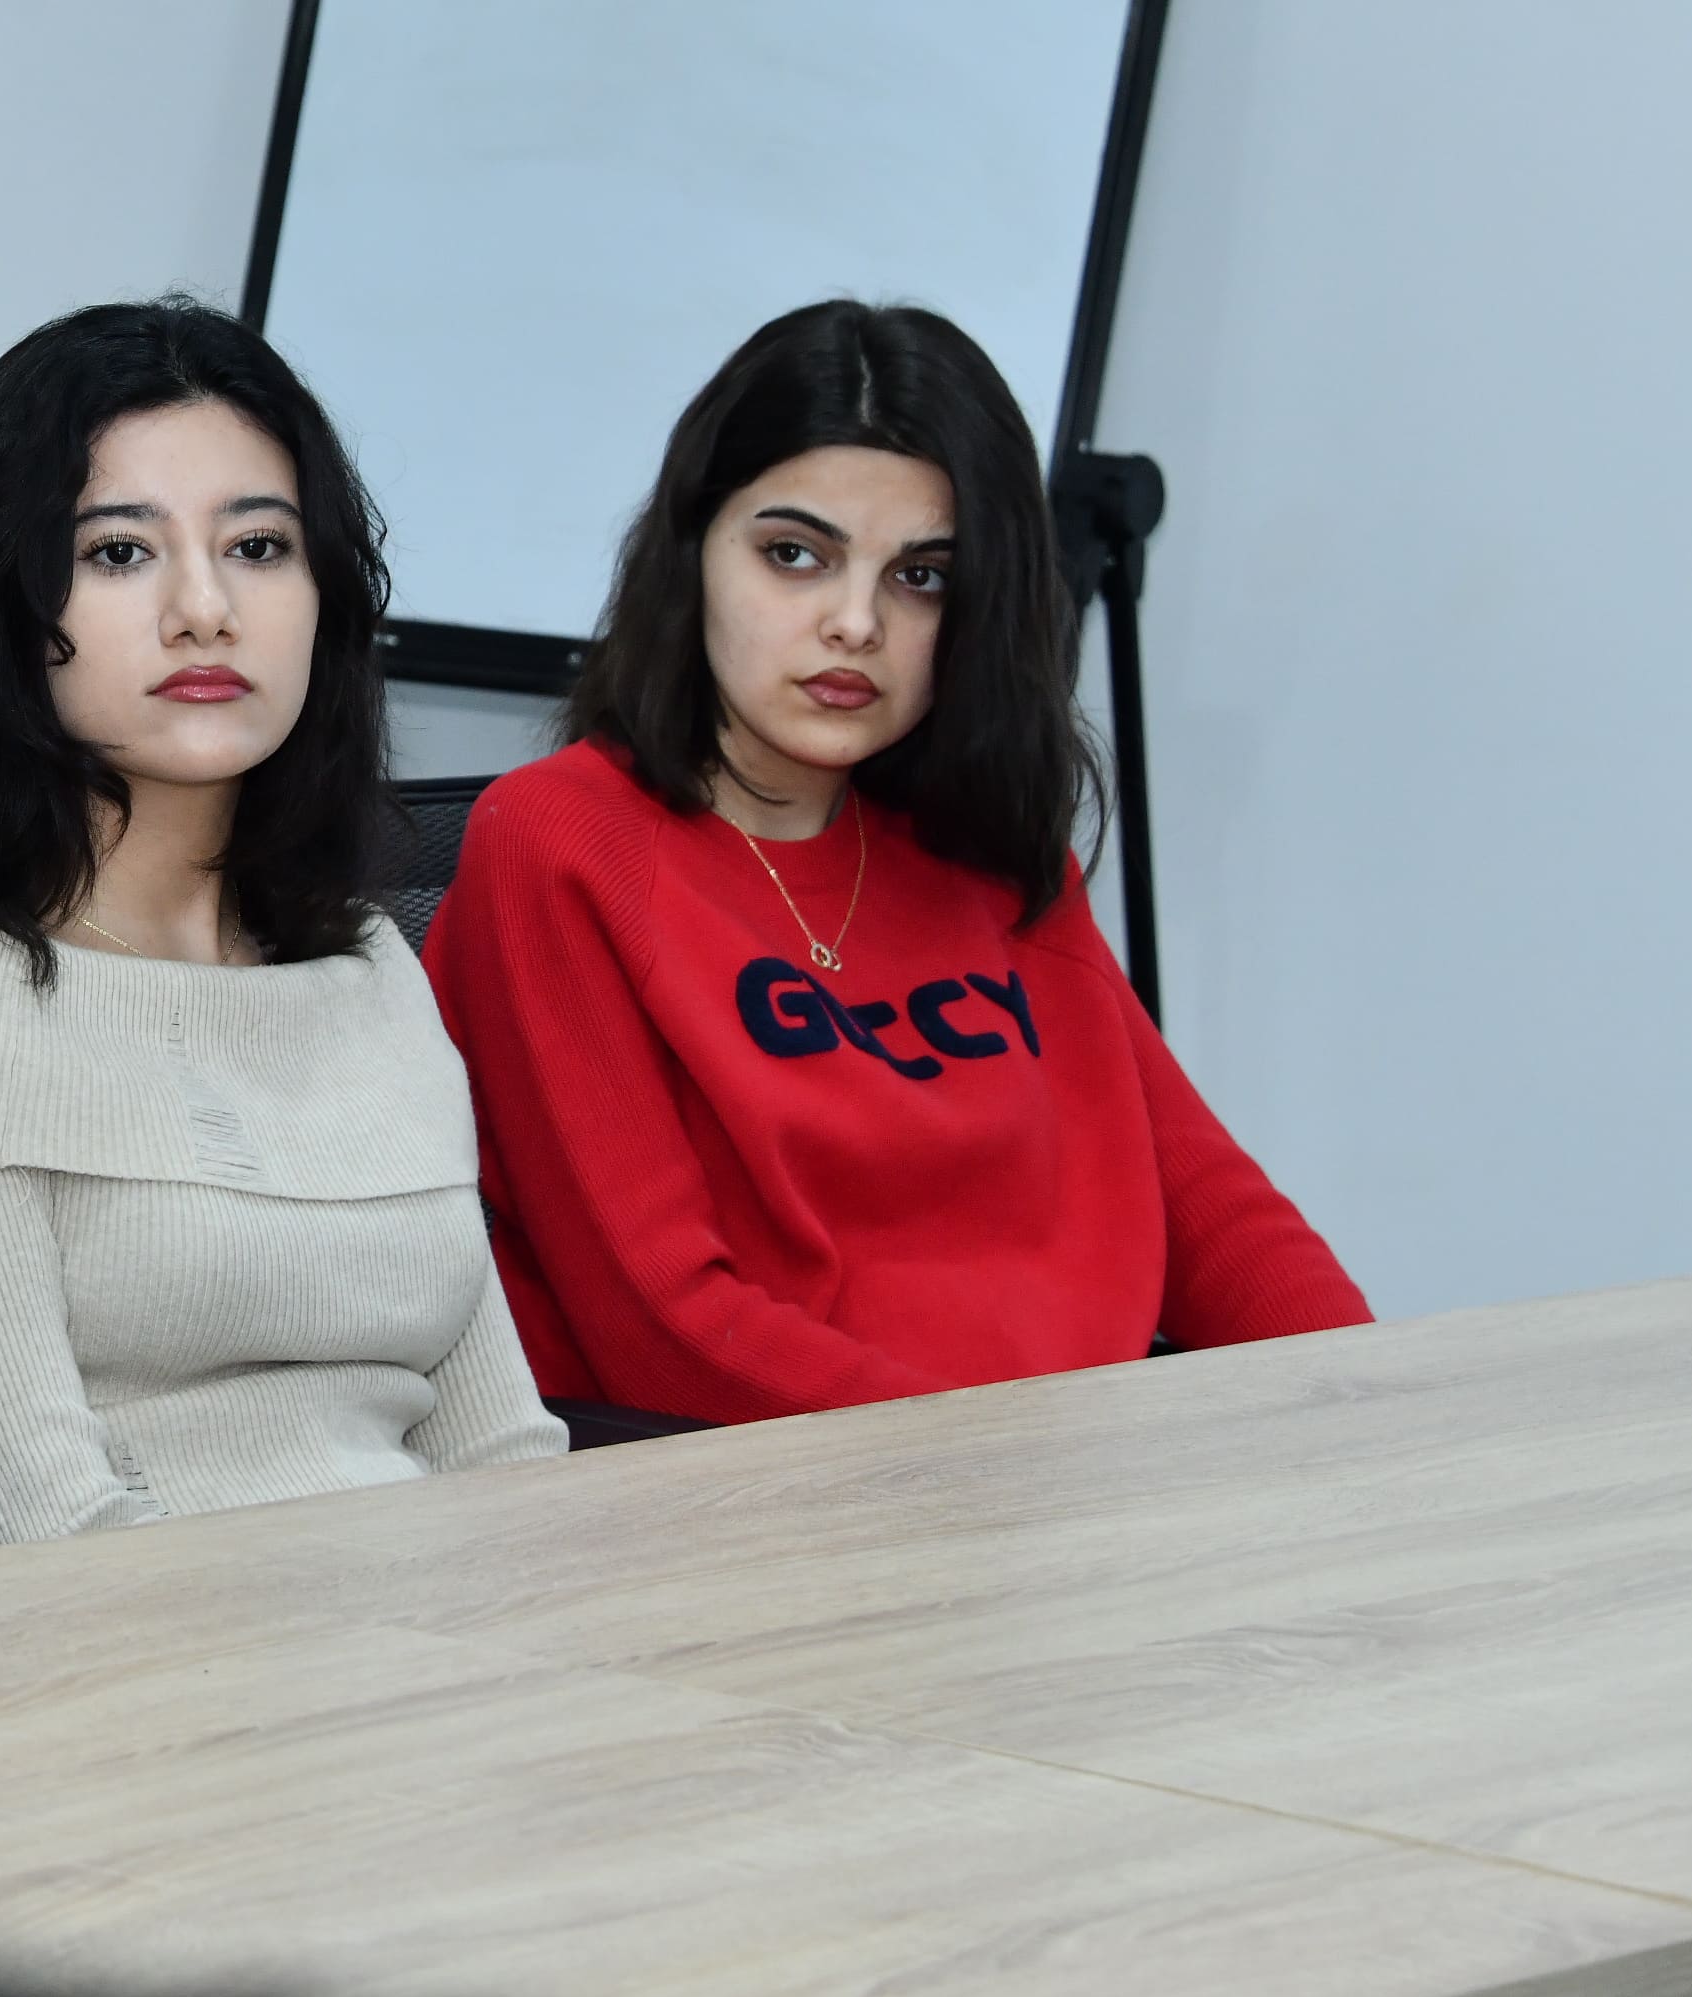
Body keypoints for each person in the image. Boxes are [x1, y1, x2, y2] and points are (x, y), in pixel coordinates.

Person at [425, 300, 1367, 1427]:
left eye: (920, 576)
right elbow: (662, 1325)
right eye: (795, 555)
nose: (855, 622)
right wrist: (1014, 1468)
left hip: (1077, 1462)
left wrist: (1376, 1405)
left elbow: (1207, 1208)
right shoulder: (559, 842)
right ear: (693, 553)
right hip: (805, 1488)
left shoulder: (982, 845)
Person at [0, 301, 561, 1543]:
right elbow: (51, 1532)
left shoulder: (369, 965)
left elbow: (505, 1457)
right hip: (132, 1644)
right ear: (1, 605)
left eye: (258, 546)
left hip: (450, 1625)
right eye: (118, 552)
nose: (205, 607)